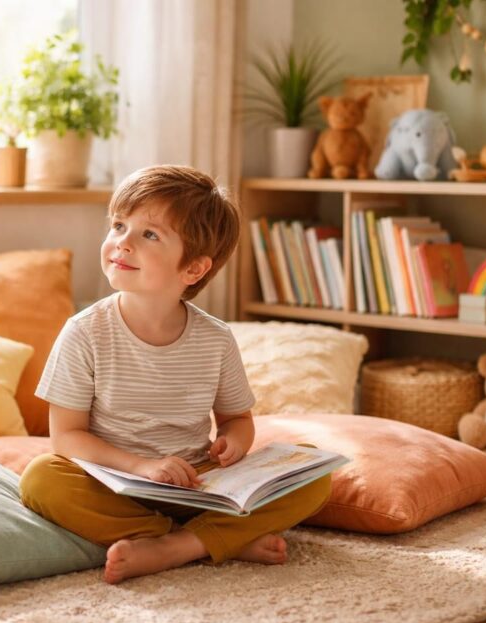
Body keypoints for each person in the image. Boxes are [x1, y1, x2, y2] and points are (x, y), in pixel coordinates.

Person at [19, 165, 331, 584]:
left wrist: (234, 445)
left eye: (149, 235)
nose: (121, 243)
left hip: (198, 485)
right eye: (118, 225)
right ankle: (210, 542)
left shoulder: (215, 339)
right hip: (117, 486)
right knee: (41, 478)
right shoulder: (84, 332)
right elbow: (66, 438)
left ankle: (181, 545)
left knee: (313, 473)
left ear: (193, 270)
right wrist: (142, 466)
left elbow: (238, 419)